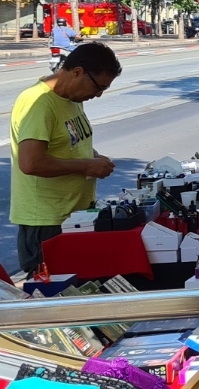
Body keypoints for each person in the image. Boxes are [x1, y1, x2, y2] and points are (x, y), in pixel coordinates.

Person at [9, 42, 119, 273]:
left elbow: (69, 144)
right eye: (98, 87)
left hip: (73, 216)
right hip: (47, 222)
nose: (98, 95)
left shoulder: (71, 99)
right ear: (77, 72)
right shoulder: (38, 102)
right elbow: (31, 163)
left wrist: (94, 157)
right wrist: (86, 165)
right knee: (54, 297)